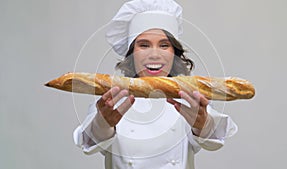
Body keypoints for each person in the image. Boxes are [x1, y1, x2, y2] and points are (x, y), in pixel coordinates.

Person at [73, 0, 238, 168]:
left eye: (164, 45)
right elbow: (89, 142)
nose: (154, 54)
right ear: (131, 53)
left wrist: (204, 123)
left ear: (175, 53)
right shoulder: (110, 101)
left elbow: (213, 141)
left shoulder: (189, 99)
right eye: (144, 45)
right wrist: (103, 123)